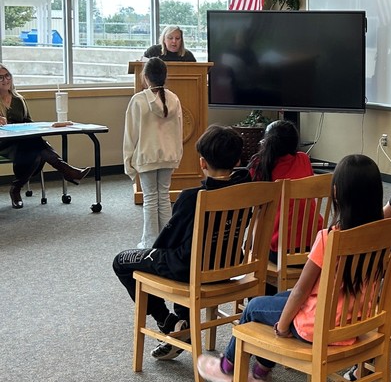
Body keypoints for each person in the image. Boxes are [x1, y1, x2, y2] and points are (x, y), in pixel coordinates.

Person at [197, 154, 384, 382]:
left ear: (336, 193)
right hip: (354, 322)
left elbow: (301, 291)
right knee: (280, 298)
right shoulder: (384, 235)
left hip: (317, 326)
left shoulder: (330, 238)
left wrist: (283, 327)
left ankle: (227, 368)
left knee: (254, 307)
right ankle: (259, 374)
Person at [111, 125, 249, 359]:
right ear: (237, 161)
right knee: (188, 251)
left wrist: (153, 257)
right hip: (228, 266)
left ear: (202, 163)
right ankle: (182, 322)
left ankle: (167, 322)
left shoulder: (191, 198)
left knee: (122, 261)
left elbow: (165, 242)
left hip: (189, 268)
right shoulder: (251, 190)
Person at [0, 62, 91, 209]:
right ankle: (67, 171)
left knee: (37, 148)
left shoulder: (18, 99)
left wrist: (47, 126)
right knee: (38, 147)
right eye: (1, 77)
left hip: (23, 141)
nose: (5, 80)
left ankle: (16, 189)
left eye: (7, 76)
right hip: (4, 143)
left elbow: (28, 122)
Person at [123, 57, 184, 248]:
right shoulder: (174, 98)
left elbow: (130, 134)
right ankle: (166, 241)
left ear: (146, 77)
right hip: (168, 156)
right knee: (164, 197)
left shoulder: (138, 100)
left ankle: (150, 242)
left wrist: (128, 160)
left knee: (150, 198)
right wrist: (177, 154)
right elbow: (179, 130)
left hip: (147, 156)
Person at [247, 119, 315, 264]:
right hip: (314, 246)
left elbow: (258, 213)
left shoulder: (259, 165)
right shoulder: (304, 159)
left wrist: (252, 247)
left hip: (280, 250)